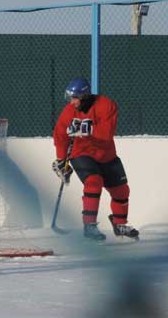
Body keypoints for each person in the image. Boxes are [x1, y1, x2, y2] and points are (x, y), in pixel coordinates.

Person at [52, 77, 139, 241]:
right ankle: (89, 226)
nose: (72, 102)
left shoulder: (107, 105)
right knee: (94, 182)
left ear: (85, 96)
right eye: (70, 98)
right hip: (81, 152)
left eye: (75, 98)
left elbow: (107, 133)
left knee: (121, 190)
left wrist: (88, 129)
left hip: (107, 154)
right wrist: (61, 160)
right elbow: (60, 135)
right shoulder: (69, 111)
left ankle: (120, 224)